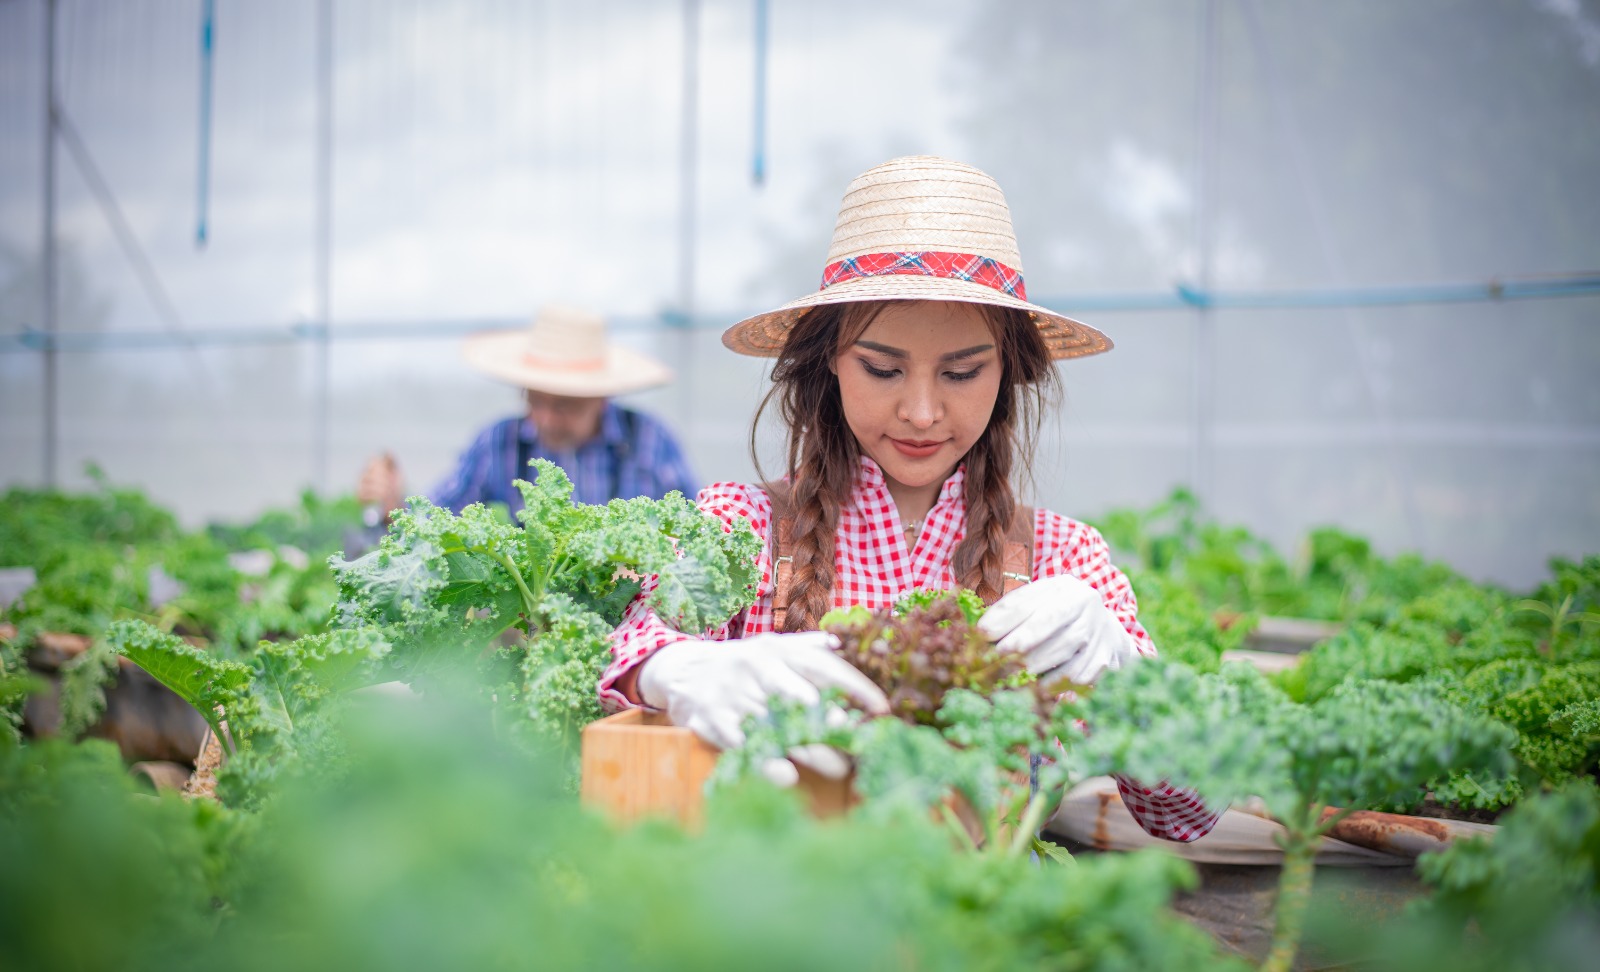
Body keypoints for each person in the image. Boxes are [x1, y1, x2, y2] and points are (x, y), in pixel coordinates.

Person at [599, 156, 1219, 843]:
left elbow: (1186, 814)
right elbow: (630, 645)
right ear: (830, 359)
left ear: (1008, 370)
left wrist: (1127, 678)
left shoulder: (1063, 562)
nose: (922, 412)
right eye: (883, 368)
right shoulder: (741, 530)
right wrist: (675, 667)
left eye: (962, 372)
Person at [358, 305, 697, 518]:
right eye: (534, 401)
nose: (545, 419)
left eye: (564, 405)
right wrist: (394, 506)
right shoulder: (498, 442)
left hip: (637, 627)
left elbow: (694, 528)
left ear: (602, 396)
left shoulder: (650, 441)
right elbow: (436, 517)